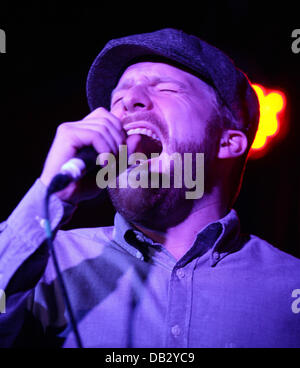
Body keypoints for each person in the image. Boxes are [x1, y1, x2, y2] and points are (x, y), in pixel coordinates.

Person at [0, 28, 299, 348]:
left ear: (227, 141)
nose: (128, 101)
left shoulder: (289, 287)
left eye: (167, 88)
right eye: (118, 97)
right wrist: (51, 193)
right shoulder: (45, 264)